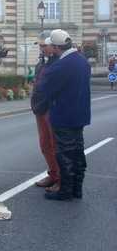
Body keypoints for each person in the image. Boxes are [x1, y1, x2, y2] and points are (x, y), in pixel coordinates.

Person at [38, 29, 91, 201]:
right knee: (77, 152)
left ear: (55, 47)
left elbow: (44, 88)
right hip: (80, 114)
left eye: (50, 46)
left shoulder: (61, 65)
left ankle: (66, 190)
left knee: (64, 153)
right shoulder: (82, 61)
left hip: (63, 114)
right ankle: (77, 188)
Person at [31, 34, 61, 192]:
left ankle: (61, 179)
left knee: (55, 144)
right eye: (40, 46)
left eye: (44, 46)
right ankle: (53, 174)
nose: (41, 48)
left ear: (53, 46)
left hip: (51, 108)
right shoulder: (41, 63)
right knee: (45, 144)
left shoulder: (59, 62)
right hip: (40, 108)